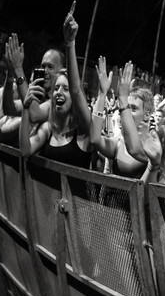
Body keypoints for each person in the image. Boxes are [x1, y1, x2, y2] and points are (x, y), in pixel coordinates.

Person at [19, 12, 92, 169]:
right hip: (47, 194)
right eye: (57, 87)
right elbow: (25, 151)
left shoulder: (83, 130)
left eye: (66, 89)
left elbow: (77, 90)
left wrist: (70, 43)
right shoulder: (48, 128)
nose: (59, 92)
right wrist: (26, 108)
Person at [89, 58, 153, 179]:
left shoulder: (154, 145)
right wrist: (102, 94)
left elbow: (134, 150)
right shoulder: (119, 143)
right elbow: (95, 139)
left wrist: (123, 98)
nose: (125, 112)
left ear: (147, 114)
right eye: (125, 107)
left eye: (132, 108)